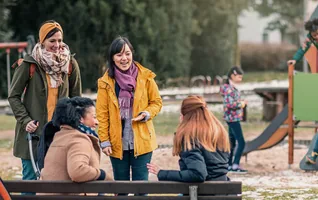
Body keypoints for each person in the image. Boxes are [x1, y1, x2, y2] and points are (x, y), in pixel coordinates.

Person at [8, 20, 81, 187]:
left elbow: (77, 99)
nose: (57, 45)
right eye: (52, 41)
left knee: (58, 182)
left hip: (59, 133)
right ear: (42, 41)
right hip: (33, 134)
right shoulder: (29, 64)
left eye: (60, 40)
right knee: (31, 181)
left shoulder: (70, 64)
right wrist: (25, 121)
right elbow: (13, 96)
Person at [96, 36, 162, 195]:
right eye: (118, 55)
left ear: (132, 53)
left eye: (127, 53)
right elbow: (102, 114)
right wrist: (104, 141)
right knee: (121, 187)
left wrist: (146, 113)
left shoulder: (145, 76)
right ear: (112, 58)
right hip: (117, 143)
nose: (124, 58)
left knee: (141, 187)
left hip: (142, 140)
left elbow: (156, 102)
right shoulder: (106, 82)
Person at [147, 96, 230, 182]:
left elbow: (198, 174)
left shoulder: (188, 138)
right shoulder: (219, 132)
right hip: (224, 191)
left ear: (184, 117)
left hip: (202, 193)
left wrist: (162, 173)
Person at [40, 97, 112, 183]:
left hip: (50, 194)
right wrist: (102, 174)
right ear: (80, 118)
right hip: (69, 195)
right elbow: (78, 171)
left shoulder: (59, 136)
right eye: (94, 117)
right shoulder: (79, 139)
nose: (97, 122)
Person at [220, 66, 247, 173]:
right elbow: (229, 104)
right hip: (232, 118)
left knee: (231, 142)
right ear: (233, 75)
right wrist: (241, 104)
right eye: (239, 77)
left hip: (233, 117)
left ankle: (229, 165)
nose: (240, 79)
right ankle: (235, 164)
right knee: (241, 142)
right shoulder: (228, 88)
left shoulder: (231, 88)